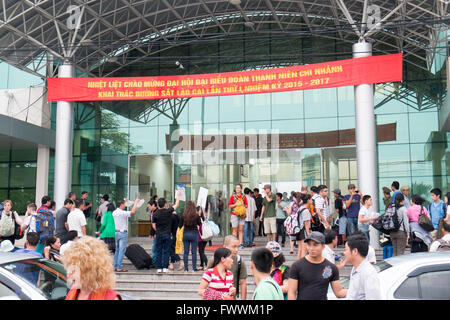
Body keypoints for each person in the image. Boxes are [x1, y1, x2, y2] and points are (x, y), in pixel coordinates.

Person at [288, 231, 347, 300]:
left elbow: (339, 292)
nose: (311, 248)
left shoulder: (331, 267)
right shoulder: (297, 266)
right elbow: (292, 292)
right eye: (309, 245)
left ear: (323, 246)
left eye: (315, 245)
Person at [344, 233, 381, 300]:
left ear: (355, 251)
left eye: (346, 250)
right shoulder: (355, 268)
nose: (344, 253)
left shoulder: (368, 273)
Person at [153, 194, 180, 273]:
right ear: (165, 204)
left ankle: (159, 268)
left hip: (159, 234)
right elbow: (176, 205)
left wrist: (157, 230)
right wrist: (178, 197)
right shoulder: (168, 211)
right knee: (166, 251)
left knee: (158, 251)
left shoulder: (155, 213)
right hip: (167, 234)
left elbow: (153, 224)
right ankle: (165, 267)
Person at [112, 198, 139, 272]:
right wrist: (135, 203)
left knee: (117, 250)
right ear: (121, 205)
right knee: (122, 250)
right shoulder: (122, 212)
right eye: (124, 204)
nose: (125, 205)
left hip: (116, 232)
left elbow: (124, 210)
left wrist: (125, 201)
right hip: (122, 233)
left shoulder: (114, 212)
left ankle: (115, 265)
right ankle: (119, 266)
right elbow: (133, 212)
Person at [179, 200, 201, 272]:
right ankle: (194, 268)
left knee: (186, 252)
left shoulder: (183, 215)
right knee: (194, 252)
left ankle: (186, 268)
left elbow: (180, 226)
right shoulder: (196, 215)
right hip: (194, 233)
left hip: (185, 234)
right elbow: (199, 224)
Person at [222, 235, 247, 300]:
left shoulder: (239, 261)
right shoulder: (214, 260)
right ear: (225, 247)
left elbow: (243, 282)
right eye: (234, 247)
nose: (236, 250)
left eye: (238, 247)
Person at [296, 193, 312, 260]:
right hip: (304, 231)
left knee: (300, 249)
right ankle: (302, 266)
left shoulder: (300, 208)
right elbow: (306, 223)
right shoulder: (305, 210)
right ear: (308, 200)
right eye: (311, 199)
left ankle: (297, 264)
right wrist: (308, 234)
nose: (312, 201)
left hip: (299, 230)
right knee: (304, 250)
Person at [197, 206, 208, 271]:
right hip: (205, 237)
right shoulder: (204, 218)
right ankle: (201, 265)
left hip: (201, 237)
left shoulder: (198, 218)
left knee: (201, 251)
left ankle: (207, 264)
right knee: (201, 251)